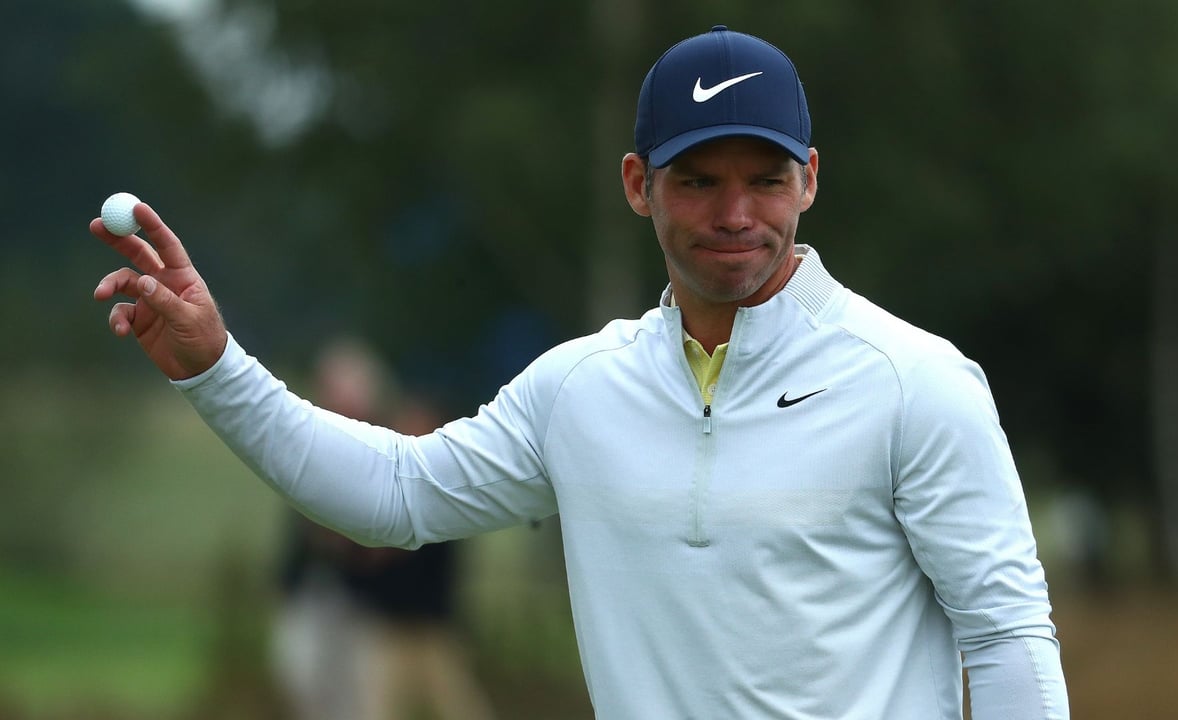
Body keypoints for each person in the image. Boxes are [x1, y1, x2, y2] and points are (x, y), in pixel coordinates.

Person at [89, 25, 1069, 719]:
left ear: (808, 179)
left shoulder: (915, 382)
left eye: (764, 181)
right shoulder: (579, 390)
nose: (735, 216)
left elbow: (1006, 636)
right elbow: (393, 494)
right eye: (699, 181)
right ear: (639, 184)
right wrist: (215, 369)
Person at [271, 338, 495, 720]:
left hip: (418, 622)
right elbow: (309, 546)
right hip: (362, 613)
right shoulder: (317, 450)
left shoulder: (398, 458)